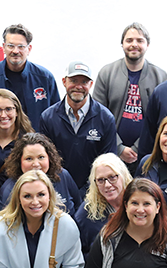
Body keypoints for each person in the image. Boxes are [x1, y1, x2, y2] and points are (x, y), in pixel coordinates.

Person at [94, 22, 167, 173]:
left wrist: (138, 147)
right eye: (129, 40)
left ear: (147, 45)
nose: (134, 44)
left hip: (147, 155)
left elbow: (164, 120)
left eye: (140, 40)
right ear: (122, 44)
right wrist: (119, 147)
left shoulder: (161, 77)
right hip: (111, 153)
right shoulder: (107, 73)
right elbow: (97, 115)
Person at [40, 61, 116, 194]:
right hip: (57, 189)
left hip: (94, 190)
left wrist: (88, 191)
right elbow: (45, 160)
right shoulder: (48, 117)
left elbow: (109, 162)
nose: (78, 86)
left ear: (91, 85)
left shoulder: (105, 118)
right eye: (73, 81)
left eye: (84, 82)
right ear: (64, 82)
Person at [0, 24, 59, 134]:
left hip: (35, 147)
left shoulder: (45, 78)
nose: (15, 51)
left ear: (29, 49)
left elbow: (56, 118)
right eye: (11, 46)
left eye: (21, 46)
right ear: (4, 47)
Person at [0, 133, 80, 216]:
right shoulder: (9, 190)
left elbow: (78, 206)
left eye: (41, 157)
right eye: (29, 158)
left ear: (49, 158)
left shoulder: (63, 176)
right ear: (19, 161)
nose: (36, 164)